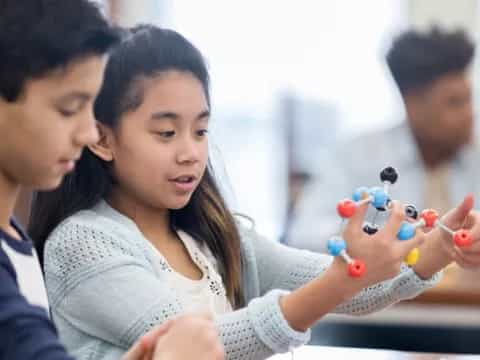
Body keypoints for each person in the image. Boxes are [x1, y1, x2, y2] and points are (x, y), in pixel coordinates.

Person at [29, 25, 480, 360]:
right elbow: (201, 344)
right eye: (166, 133)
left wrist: (438, 249)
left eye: (201, 130)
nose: (191, 152)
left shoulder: (213, 236)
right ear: (101, 138)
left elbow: (352, 291)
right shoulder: (82, 242)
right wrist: (345, 276)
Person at [0, 1, 223, 359]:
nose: (88, 132)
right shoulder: (81, 240)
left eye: (200, 130)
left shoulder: (15, 241)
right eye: (69, 108)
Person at [288, 26, 479, 253]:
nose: (470, 114)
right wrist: (389, 238)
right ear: (413, 106)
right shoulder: (356, 156)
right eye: (454, 103)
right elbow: (303, 235)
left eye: (469, 100)